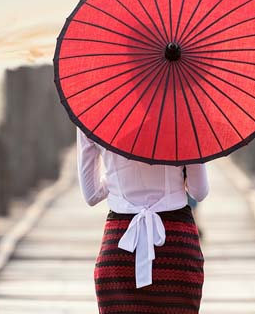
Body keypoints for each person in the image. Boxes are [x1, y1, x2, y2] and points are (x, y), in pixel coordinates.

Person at [76, 127, 209, 313]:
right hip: (176, 247)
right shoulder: (183, 119)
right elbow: (199, 192)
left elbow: (92, 195)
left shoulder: (92, 117)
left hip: (120, 249)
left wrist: (116, 176)